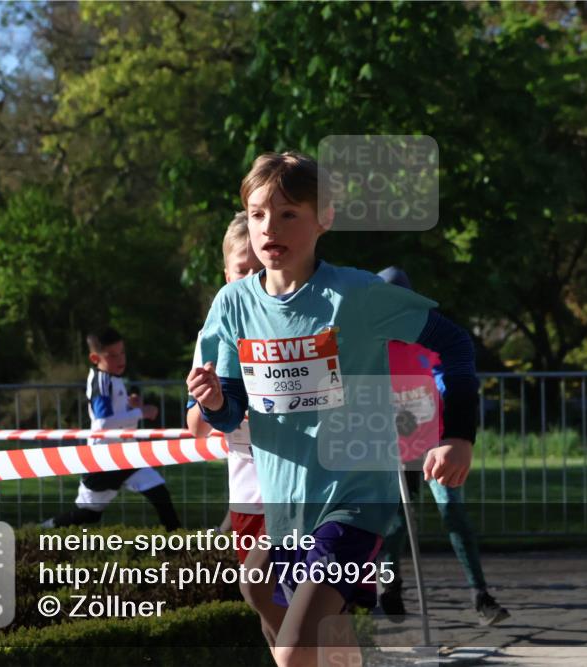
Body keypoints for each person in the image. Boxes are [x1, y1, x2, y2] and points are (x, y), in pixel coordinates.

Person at [187, 151, 479, 667]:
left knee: (295, 647)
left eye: (288, 214)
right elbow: (232, 413)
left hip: (356, 498)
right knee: (257, 588)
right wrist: (214, 401)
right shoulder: (233, 306)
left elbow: (455, 345)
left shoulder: (357, 295)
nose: (269, 228)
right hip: (286, 504)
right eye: (257, 214)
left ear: (325, 219)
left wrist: (458, 435)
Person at [376, 266, 510, 627]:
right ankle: (390, 587)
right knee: (396, 522)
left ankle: (480, 594)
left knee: (453, 513)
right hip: (392, 446)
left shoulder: (430, 334)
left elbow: (447, 375)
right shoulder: (372, 339)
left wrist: (452, 412)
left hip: (433, 443)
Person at [40, 327, 180, 531]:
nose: (120, 359)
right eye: (112, 355)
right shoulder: (102, 379)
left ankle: (180, 543)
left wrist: (131, 407)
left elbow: (114, 416)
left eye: (122, 352)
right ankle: (44, 529)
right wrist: (141, 413)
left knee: (160, 494)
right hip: (104, 460)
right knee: (89, 514)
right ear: (95, 358)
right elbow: (102, 423)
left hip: (125, 455)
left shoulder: (112, 378)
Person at [186, 211, 266, 566]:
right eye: (241, 270)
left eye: (258, 269)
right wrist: (211, 401)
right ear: (226, 275)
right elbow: (197, 426)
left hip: (305, 483)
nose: (250, 279)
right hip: (248, 482)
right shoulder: (212, 336)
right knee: (258, 594)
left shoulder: (292, 320)